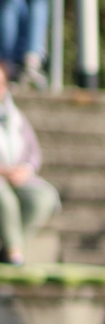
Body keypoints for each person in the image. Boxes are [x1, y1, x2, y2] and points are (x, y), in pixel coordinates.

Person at [0, 64, 58, 263]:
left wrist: (25, 170)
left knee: (43, 198)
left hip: (17, 177)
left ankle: (10, 249)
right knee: (4, 199)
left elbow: (33, 153)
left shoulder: (15, 117)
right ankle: (13, 254)